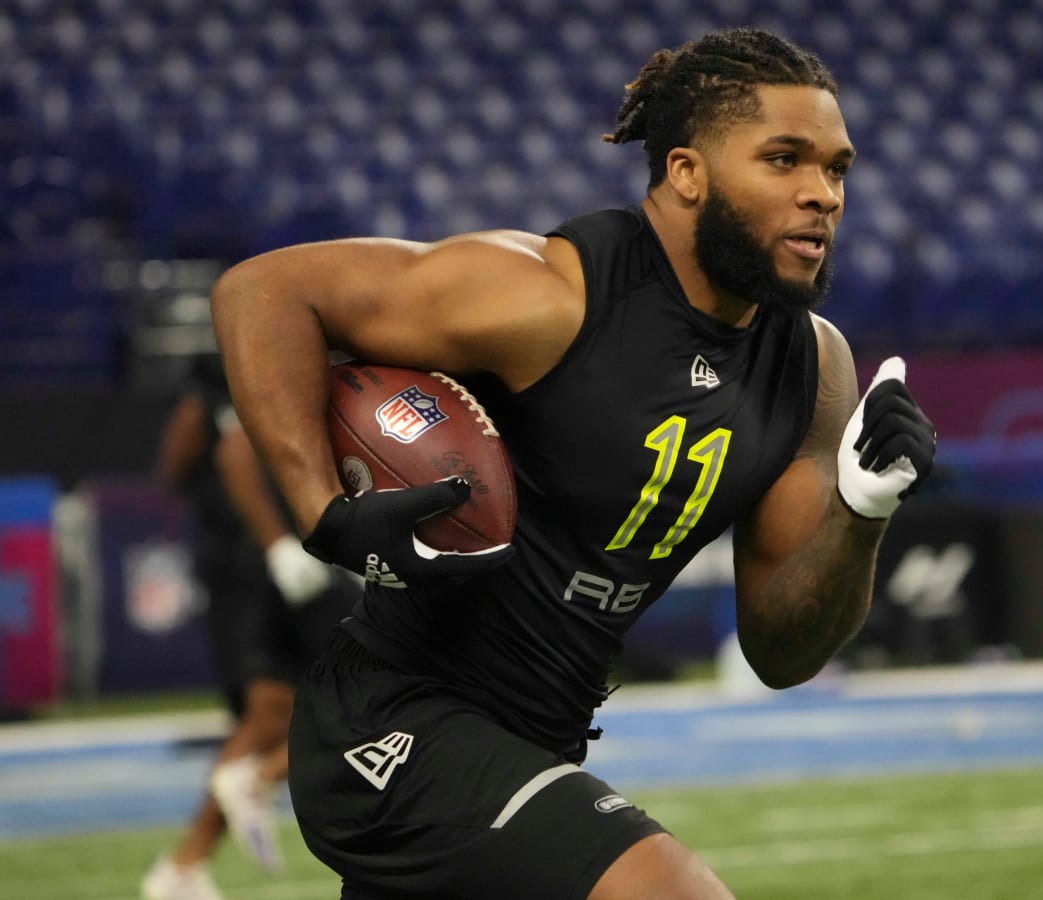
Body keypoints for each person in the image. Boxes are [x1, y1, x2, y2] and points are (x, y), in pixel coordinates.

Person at [210, 28, 937, 899]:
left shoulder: (812, 368)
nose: (822, 195)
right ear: (685, 173)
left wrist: (861, 512)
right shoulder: (553, 295)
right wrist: (323, 512)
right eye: (784, 160)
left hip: (538, 737)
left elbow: (782, 651)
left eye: (837, 168)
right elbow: (263, 293)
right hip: (394, 720)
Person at [142, 355, 360, 900]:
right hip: (284, 570)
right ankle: (259, 779)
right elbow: (227, 448)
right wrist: (278, 544)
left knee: (272, 715)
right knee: (382, 698)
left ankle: (182, 868)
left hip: (283, 567)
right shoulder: (274, 367)